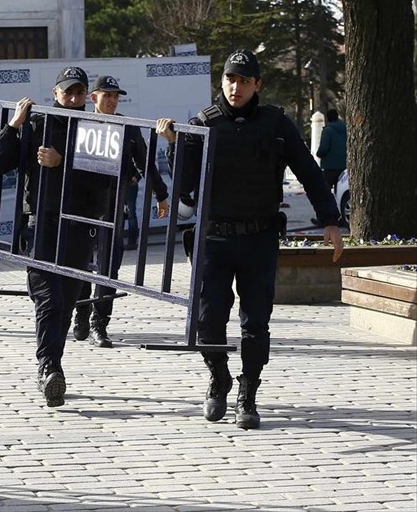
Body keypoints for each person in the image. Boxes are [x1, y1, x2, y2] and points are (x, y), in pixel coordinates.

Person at [155, 49, 343, 430]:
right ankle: (219, 378)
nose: (235, 86)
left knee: (255, 323)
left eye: (243, 80)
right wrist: (176, 143)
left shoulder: (276, 123)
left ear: (257, 84)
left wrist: (330, 220)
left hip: (258, 238)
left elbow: (307, 170)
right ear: (221, 82)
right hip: (214, 239)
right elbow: (186, 184)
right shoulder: (203, 124)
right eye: (229, 79)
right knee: (208, 322)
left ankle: (248, 393)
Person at [0, 66, 114, 407]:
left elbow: (106, 182)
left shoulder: (97, 129)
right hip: (40, 226)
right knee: (49, 299)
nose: (72, 99)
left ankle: (51, 365)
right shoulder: (36, 125)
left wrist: (63, 161)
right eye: (66, 92)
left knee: (66, 304)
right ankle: (50, 368)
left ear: (87, 96)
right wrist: (13, 125)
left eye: (78, 93)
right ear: (55, 93)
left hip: (78, 228)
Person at [71, 76, 170, 348]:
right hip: (80, 207)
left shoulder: (127, 127)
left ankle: (98, 324)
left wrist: (160, 194)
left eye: (116, 96)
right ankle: (81, 311)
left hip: (112, 208)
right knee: (78, 263)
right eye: (107, 96)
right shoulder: (80, 124)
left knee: (108, 267)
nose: (113, 101)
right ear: (94, 98)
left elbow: (144, 163)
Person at [316, 108, 347, 193]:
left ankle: (327, 206)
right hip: (344, 165)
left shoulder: (328, 130)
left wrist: (319, 154)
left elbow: (324, 148)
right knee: (340, 190)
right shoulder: (346, 129)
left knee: (325, 191)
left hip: (330, 166)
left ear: (327, 118)